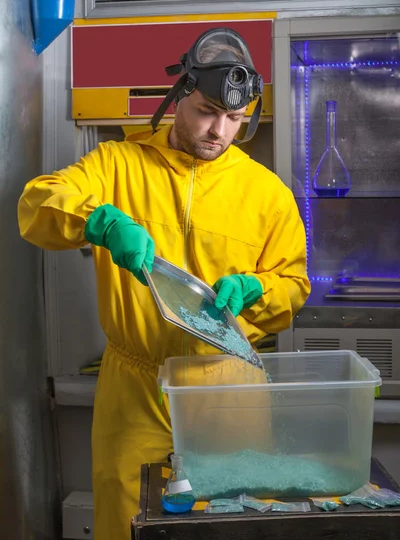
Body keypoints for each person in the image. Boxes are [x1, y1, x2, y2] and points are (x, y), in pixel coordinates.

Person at [18, 28, 310, 540]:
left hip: (228, 387)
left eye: (236, 120)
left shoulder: (268, 195)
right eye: (206, 111)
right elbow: (37, 204)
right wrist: (99, 221)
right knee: (127, 523)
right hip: (135, 386)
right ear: (178, 97)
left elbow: (294, 283)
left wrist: (259, 291)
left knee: (228, 524)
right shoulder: (118, 164)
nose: (219, 131)